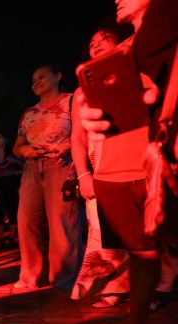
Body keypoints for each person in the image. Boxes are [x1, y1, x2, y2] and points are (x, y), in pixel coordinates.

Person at [77, 0, 170, 324]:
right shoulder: (120, 55)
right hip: (112, 170)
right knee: (141, 250)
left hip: (154, 162)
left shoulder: (162, 41)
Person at [70, 24, 132, 307]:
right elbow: (77, 138)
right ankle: (114, 286)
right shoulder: (82, 91)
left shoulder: (133, 76)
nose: (95, 44)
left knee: (144, 229)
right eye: (92, 41)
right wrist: (83, 174)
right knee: (101, 228)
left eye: (104, 39)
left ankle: (155, 287)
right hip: (102, 166)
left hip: (135, 160)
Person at [13, 64, 82, 291]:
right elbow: (17, 146)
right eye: (33, 79)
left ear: (58, 76)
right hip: (32, 167)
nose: (36, 82)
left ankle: (63, 277)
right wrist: (26, 151)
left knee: (61, 223)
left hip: (61, 164)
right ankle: (32, 275)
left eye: (42, 76)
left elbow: (84, 133)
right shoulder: (29, 113)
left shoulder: (72, 101)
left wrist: (67, 147)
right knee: (26, 222)